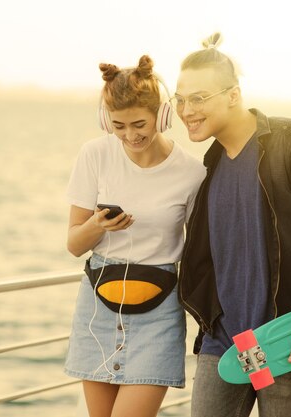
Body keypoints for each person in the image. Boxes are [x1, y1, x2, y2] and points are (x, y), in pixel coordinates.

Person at [174, 33, 291, 417]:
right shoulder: (211, 165)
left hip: (288, 337)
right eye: (181, 99)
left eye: (199, 98)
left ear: (233, 95)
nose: (186, 109)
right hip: (223, 343)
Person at [64, 55, 205, 417]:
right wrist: (98, 225)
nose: (130, 135)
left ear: (162, 115)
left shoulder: (191, 172)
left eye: (139, 123)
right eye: (119, 126)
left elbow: (199, 251)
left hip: (159, 308)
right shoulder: (94, 155)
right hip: (98, 302)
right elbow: (74, 245)